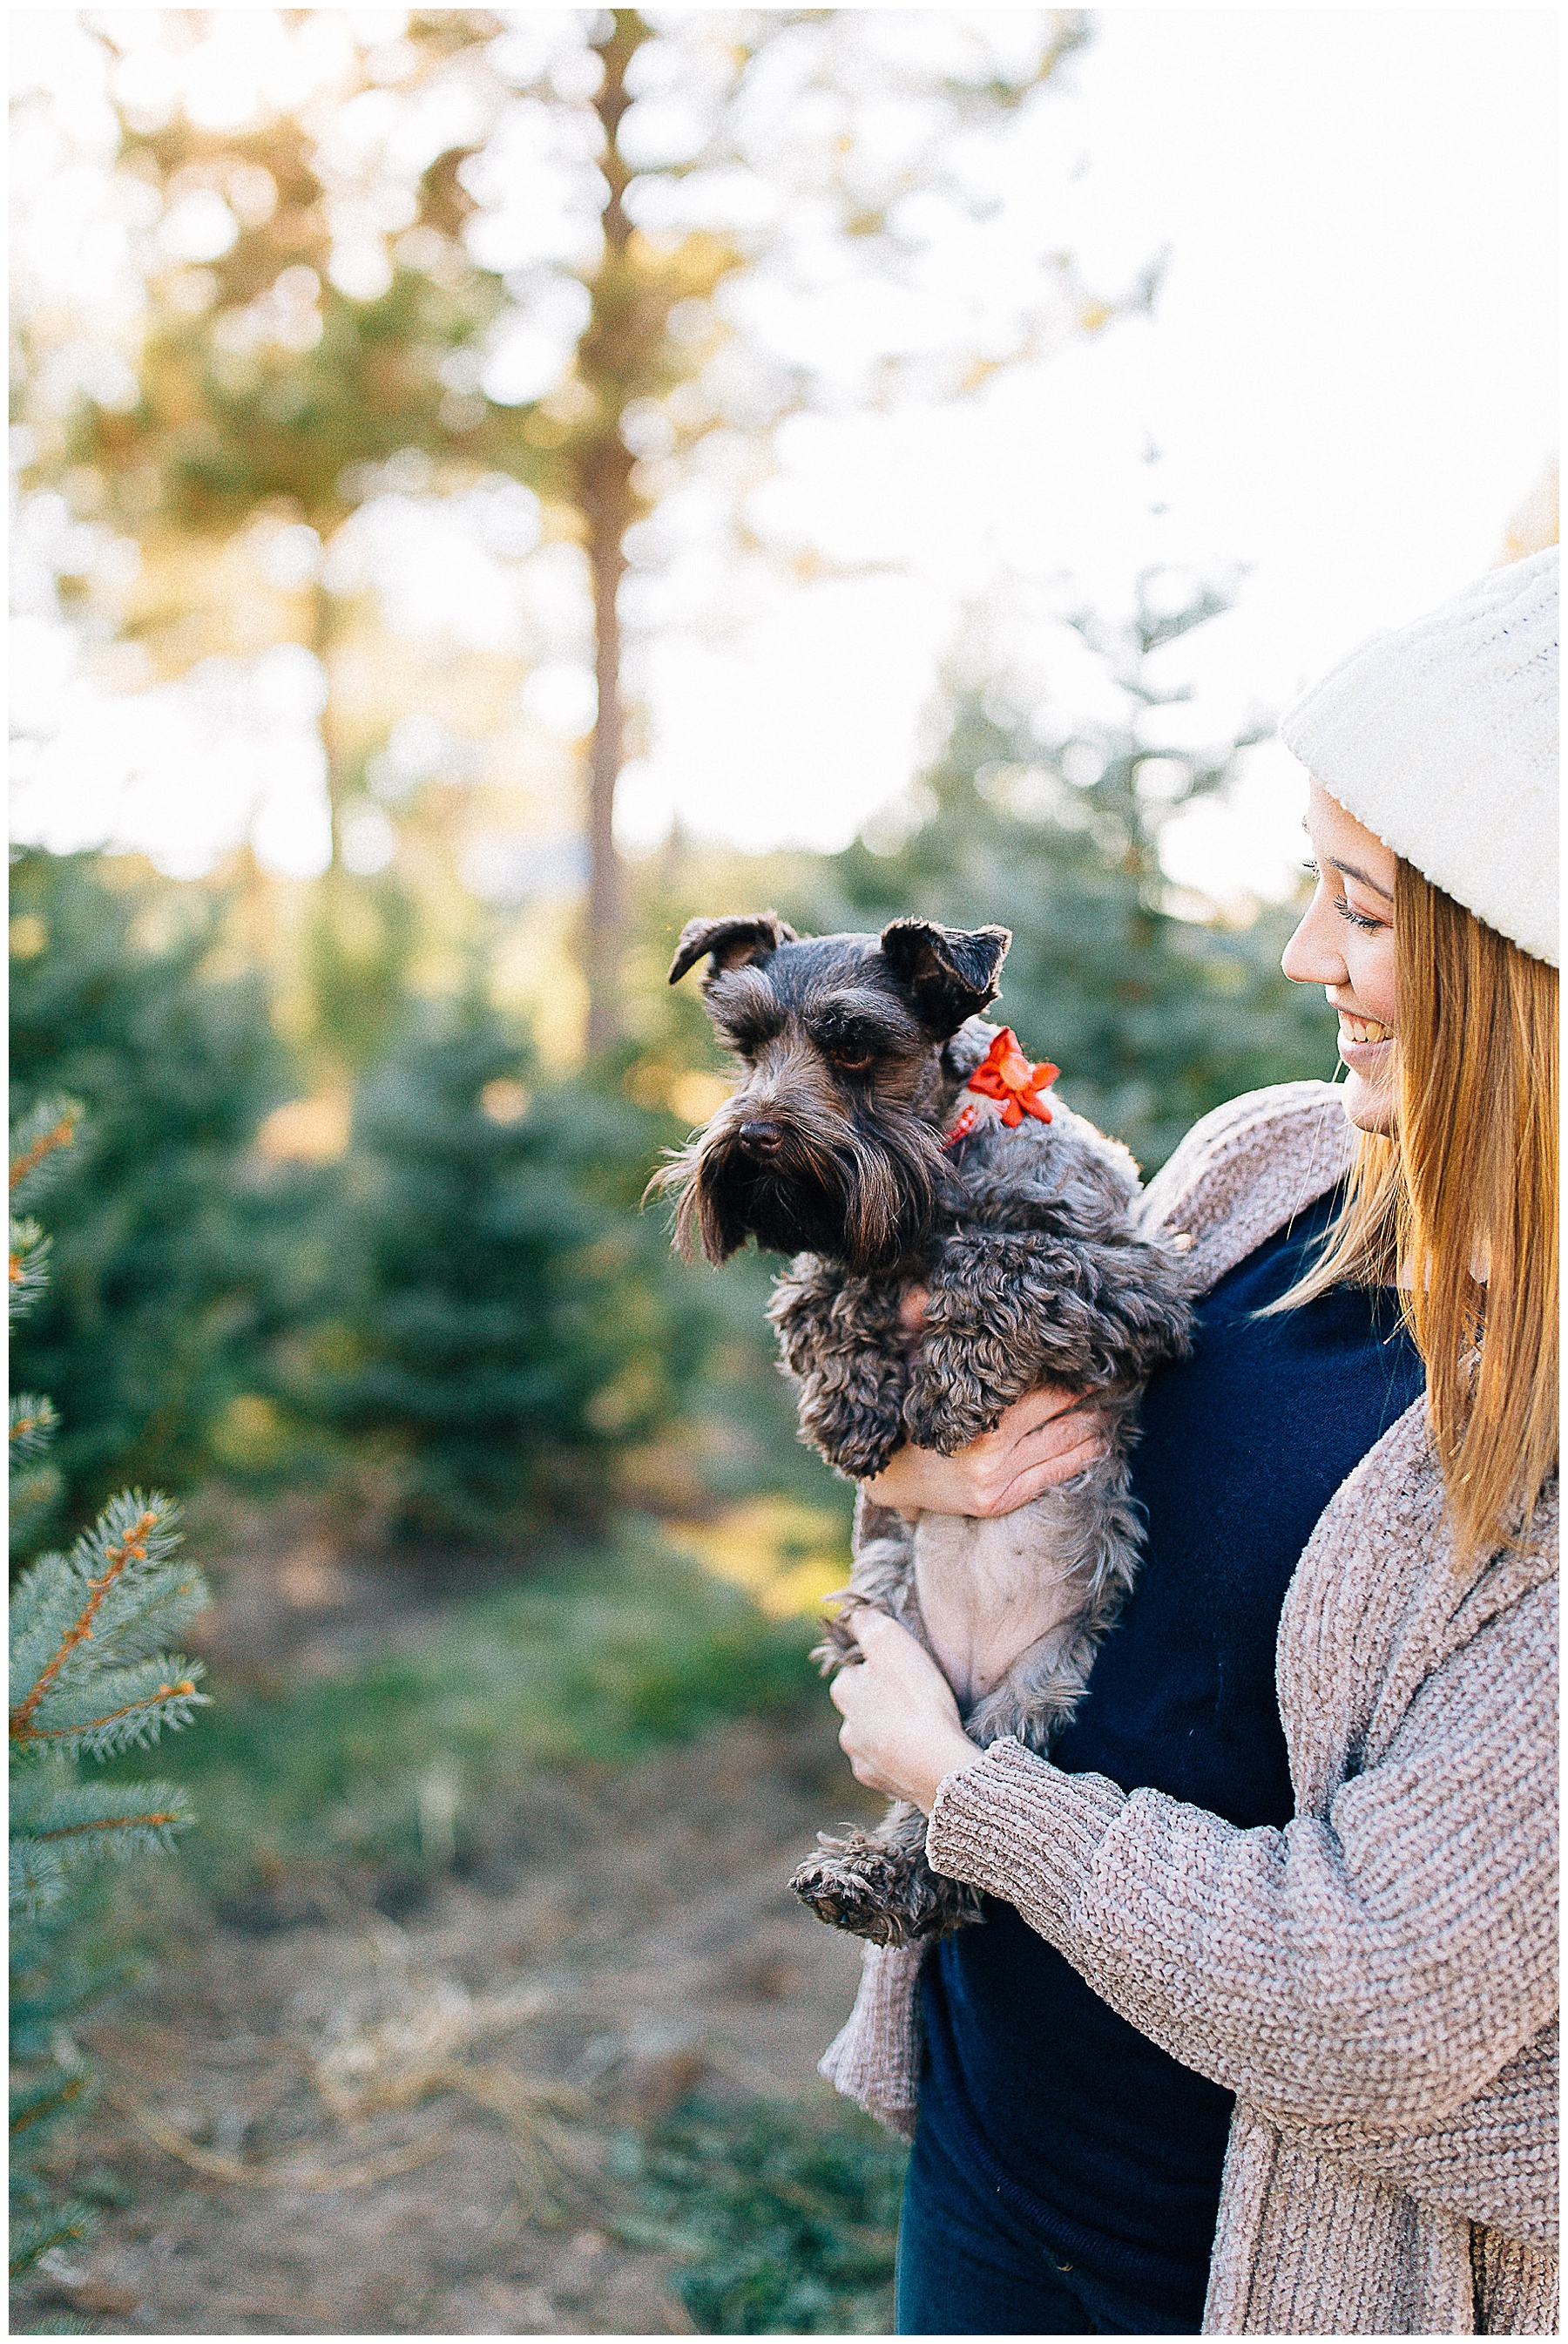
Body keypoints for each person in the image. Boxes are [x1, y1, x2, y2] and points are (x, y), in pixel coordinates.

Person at [817, 545, 1558, 2336]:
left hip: (1240, 2274)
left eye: (1368, 914)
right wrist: (908, 1481)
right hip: (993, 2164)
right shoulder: (1263, 1167)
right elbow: (992, 1473)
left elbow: (1376, 1996)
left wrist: (968, 1796)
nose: (1309, 953)